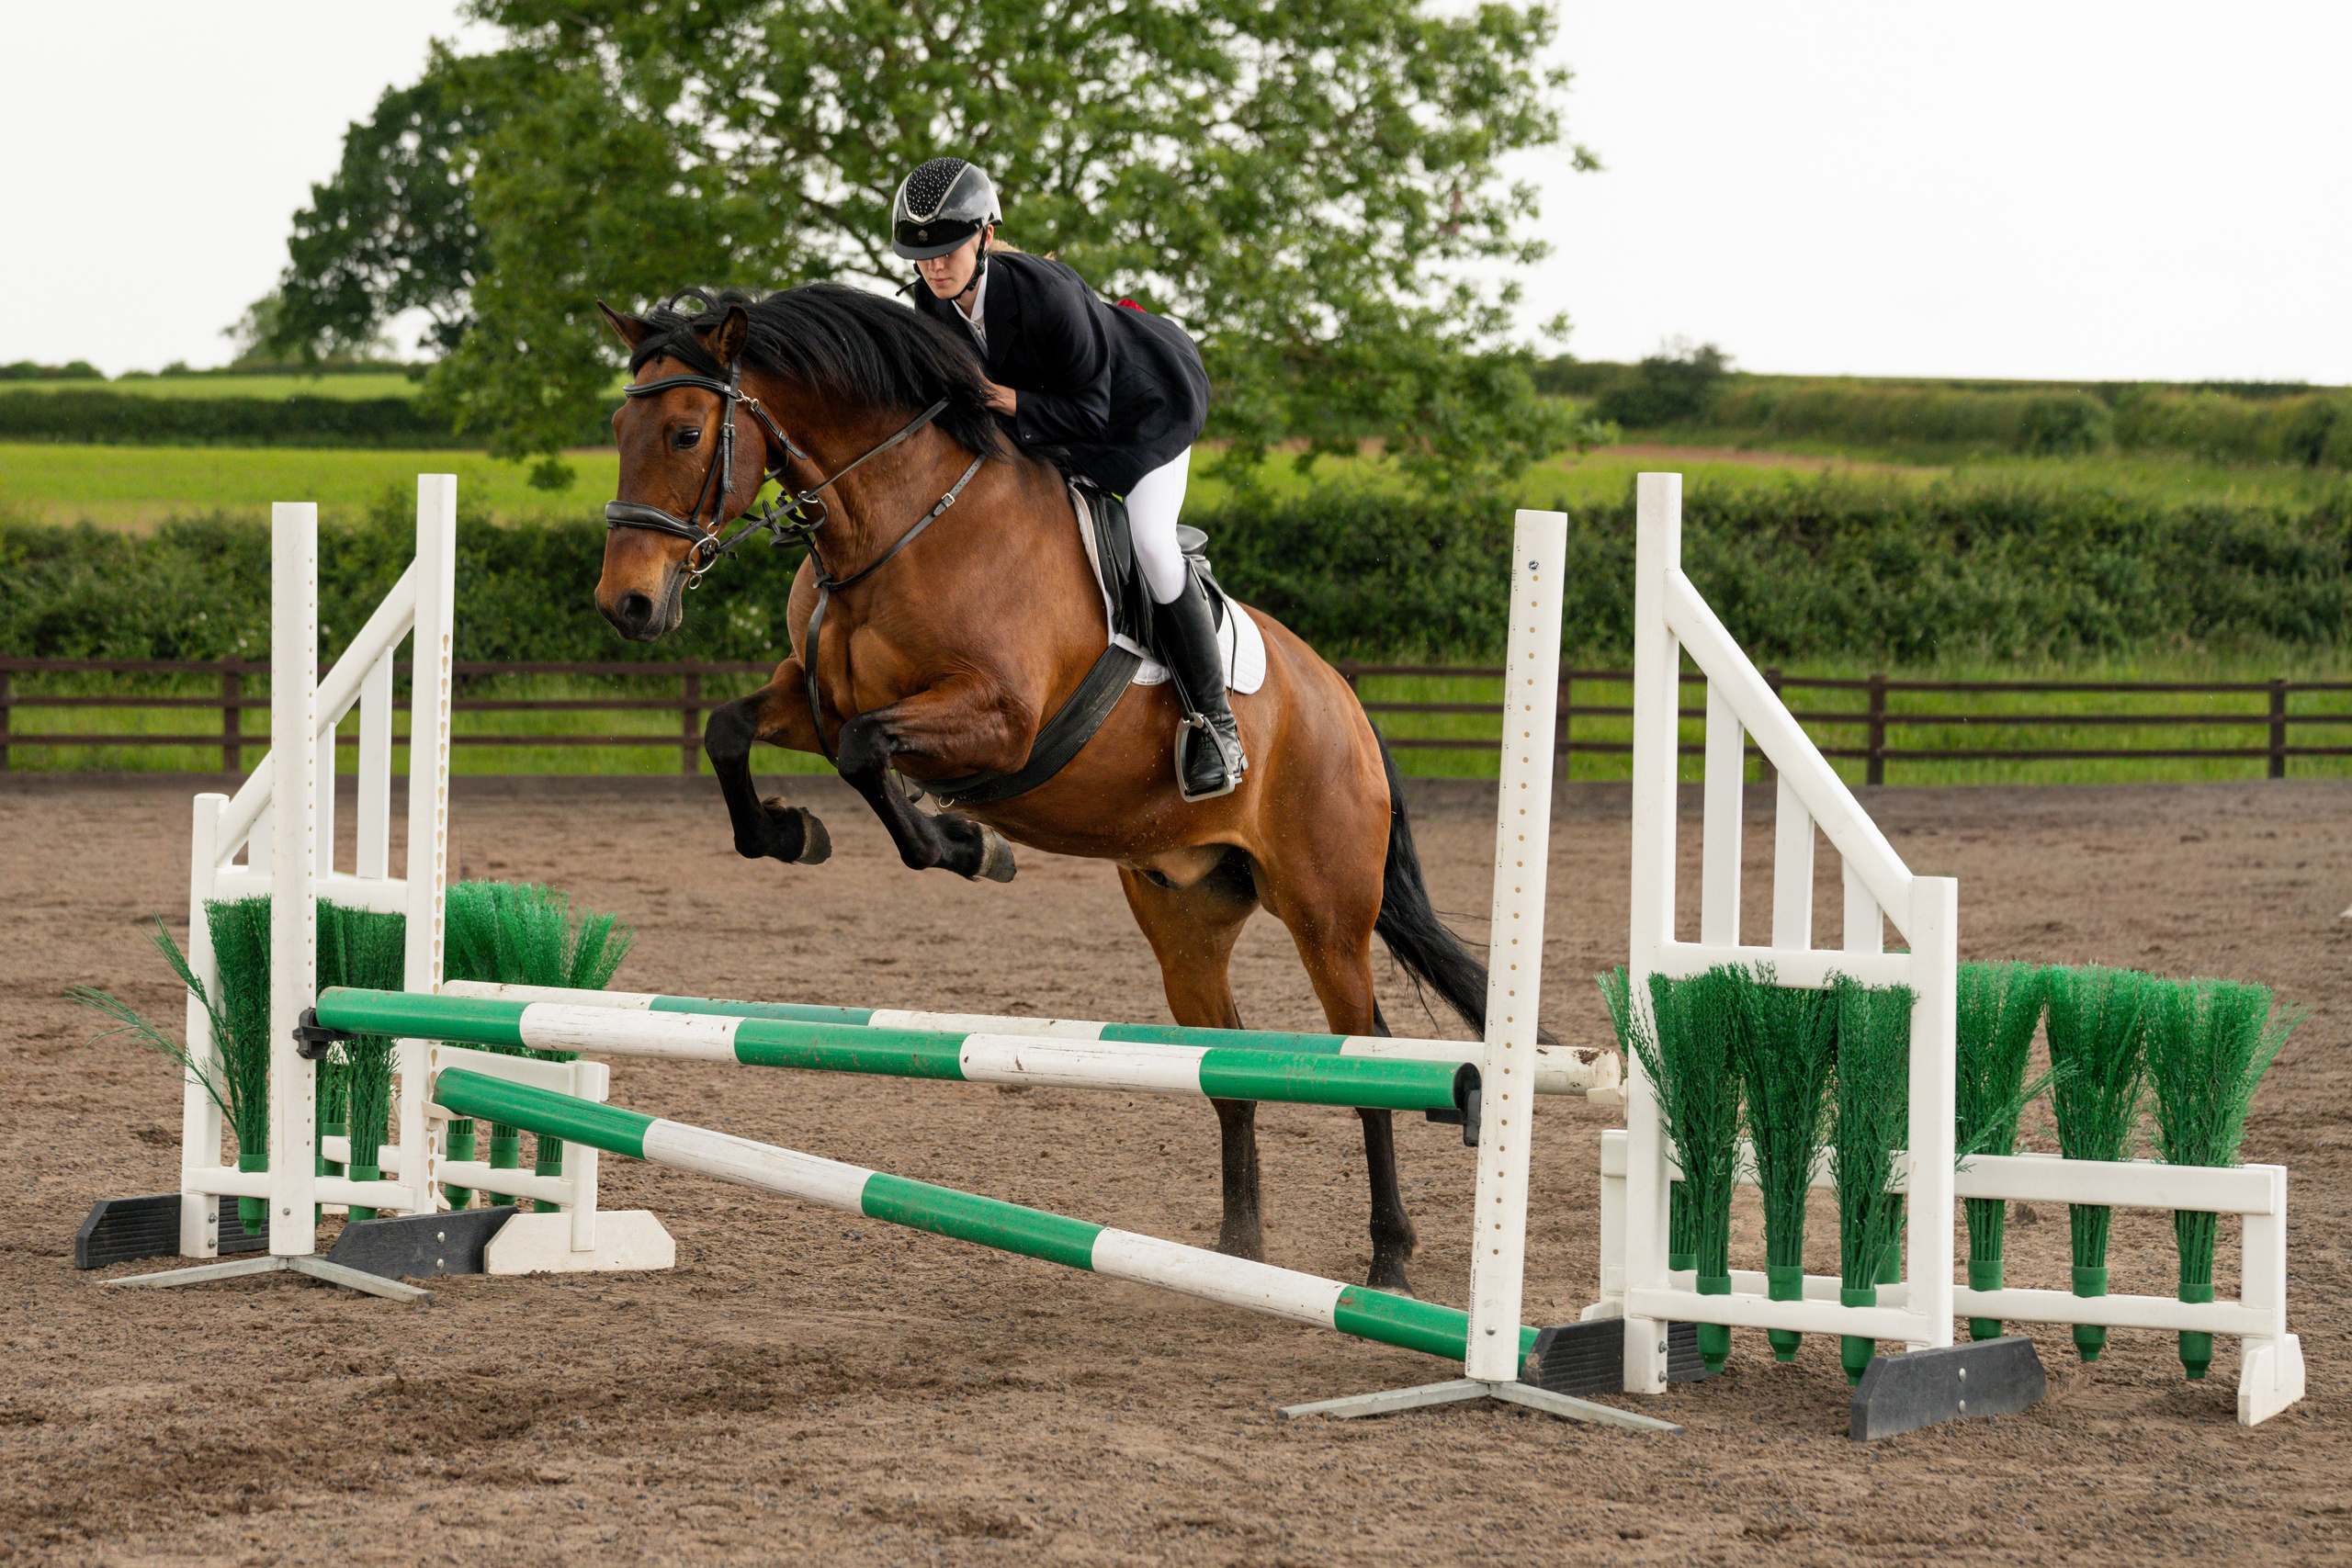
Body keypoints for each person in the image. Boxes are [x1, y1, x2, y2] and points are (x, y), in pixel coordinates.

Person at [891, 157, 1243, 803]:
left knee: (1152, 542)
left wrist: (1004, 400)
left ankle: (1216, 726)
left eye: (948, 250)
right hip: (1053, 434)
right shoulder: (930, 304)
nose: (935, 267)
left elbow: (1093, 410)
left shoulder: (1046, 292)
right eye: (923, 256)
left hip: (1143, 415)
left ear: (986, 238)